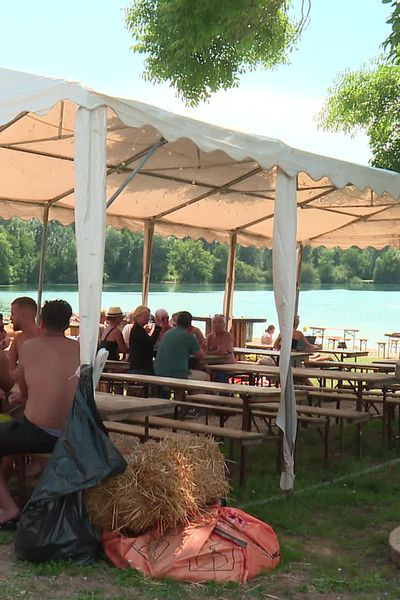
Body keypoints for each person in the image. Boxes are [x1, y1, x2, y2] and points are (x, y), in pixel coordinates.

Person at [0, 299, 80, 526]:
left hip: (38, 432)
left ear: (42, 321)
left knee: (11, 430)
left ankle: (8, 508)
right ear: (67, 323)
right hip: (73, 433)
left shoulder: (29, 347)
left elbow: (22, 388)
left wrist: (26, 395)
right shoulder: (80, 349)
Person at [155, 311, 204, 379]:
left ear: (177, 322)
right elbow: (201, 356)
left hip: (158, 372)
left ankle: (186, 388)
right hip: (177, 374)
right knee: (206, 377)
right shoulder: (189, 336)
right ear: (190, 323)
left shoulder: (167, 333)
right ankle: (191, 389)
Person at [8, 297, 39, 372]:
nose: (10, 318)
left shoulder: (45, 338)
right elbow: (10, 366)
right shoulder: (18, 339)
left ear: (23, 315)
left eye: (13, 314)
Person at [128, 305, 160, 374]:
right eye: (146, 316)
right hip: (141, 367)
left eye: (148, 316)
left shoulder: (138, 329)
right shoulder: (138, 330)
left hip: (138, 365)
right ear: (138, 316)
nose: (148, 318)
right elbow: (150, 343)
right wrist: (158, 327)